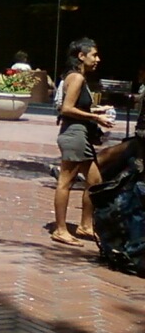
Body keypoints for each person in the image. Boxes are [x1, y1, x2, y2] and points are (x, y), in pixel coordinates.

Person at [52, 38, 114, 246]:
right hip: (74, 135)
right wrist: (96, 118)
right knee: (65, 182)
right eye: (94, 55)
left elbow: (76, 106)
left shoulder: (77, 78)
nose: (98, 59)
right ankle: (60, 230)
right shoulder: (77, 78)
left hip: (81, 135)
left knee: (95, 182)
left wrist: (96, 110)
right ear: (81, 56)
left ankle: (85, 225)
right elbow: (67, 109)